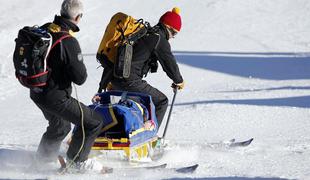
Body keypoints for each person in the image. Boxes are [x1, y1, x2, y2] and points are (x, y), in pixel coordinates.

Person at [30, 0, 105, 169]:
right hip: (55, 97)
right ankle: (77, 163)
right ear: (78, 17)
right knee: (93, 122)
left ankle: (42, 161)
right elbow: (80, 78)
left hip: (36, 91)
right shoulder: (68, 41)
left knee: (60, 126)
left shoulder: (46, 28)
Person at [95, 7, 185, 128]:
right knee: (161, 101)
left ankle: (131, 128)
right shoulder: (159, 39)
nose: (173, 37)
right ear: (168, 27)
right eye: (174, 33)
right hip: (130, 81)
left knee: (139, 103)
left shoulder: (144, 33)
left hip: (115, 79)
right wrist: (178, 80)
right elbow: (169, 63)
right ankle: (150, 135)